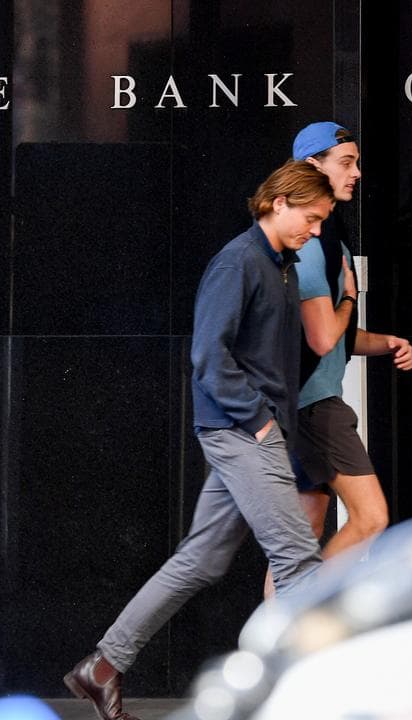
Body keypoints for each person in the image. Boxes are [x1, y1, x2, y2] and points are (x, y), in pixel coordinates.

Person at [64, 161, 336, 720]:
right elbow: (209, 357)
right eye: (311, 218)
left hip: (255, 431)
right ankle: (317, 703)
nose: (317, 231)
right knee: (299, 565)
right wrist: (260, 423)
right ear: (278, 202)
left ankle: (103, 666)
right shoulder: (237, 262)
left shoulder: (281, 265)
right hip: (242, 432)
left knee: (202, 561)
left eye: (323, 221)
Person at [263, 122, 412, 598]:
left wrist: (385, 341)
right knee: (371, 519)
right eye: (346, 163)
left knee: (301, 541)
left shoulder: (324, 239)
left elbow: (338, 339)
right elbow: (324, 336)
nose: (357, 173)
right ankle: (297, 618)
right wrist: (349, 298)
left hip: (305, 405)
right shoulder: (315, 247)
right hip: (315, 410)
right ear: (313, 166)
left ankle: (274, 643)